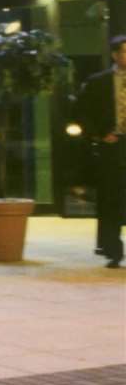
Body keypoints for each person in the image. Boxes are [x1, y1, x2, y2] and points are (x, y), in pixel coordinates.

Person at [75, 34, 126, 267]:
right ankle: (112, 249)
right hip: (112, 144)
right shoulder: (99, 81)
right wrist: (99, 134)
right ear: (115, 55)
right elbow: (82, 111)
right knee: (110, 198)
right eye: (124, 51)